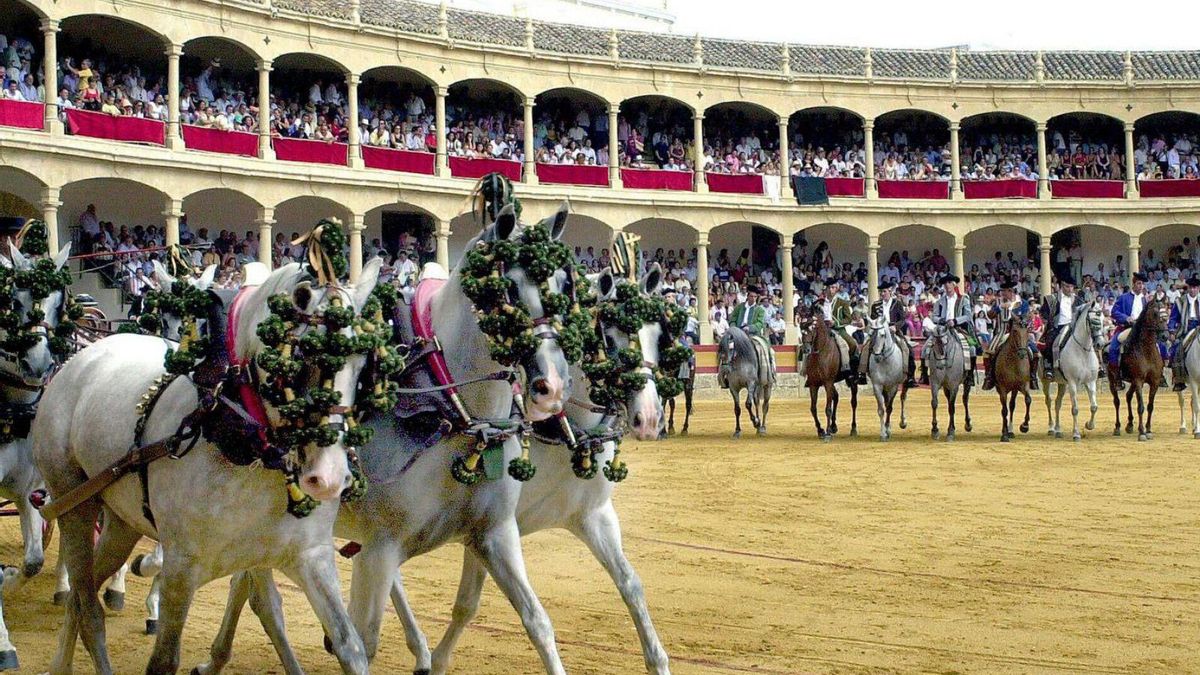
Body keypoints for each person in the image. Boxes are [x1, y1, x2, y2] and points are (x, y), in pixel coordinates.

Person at [1109, 272, 1167, 389]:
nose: (1141, 286)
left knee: (1161, 345)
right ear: (1133, 284)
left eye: (1142, 284)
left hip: (1144, 330)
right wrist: (1126, 318)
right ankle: (1117, 376)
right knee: (1114, 346)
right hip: (1128, 328)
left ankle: (1160, 374)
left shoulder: (1146, 301)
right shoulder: (1123, 297)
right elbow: (1114, 312)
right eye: (1139, 283)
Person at [857, 280, 917, 388]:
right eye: (881, 292)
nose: (882, 294)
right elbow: (874, 319)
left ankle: (910, 376)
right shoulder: (876, 305)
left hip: (893, 330)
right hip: (879, 330)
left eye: (884, 291)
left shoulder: (897, 303)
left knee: (907, 349)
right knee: (866, 347)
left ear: (890, 291)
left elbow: (902, 319)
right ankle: (862, 373)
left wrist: (895, 327)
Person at [982, 280, 1038, 391]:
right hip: (1002, 332)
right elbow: (990, 315)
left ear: (1011, 291)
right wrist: (1000, 307)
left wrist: (1013, 314)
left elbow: (1025, 318)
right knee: (988, 352)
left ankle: (1032, 376)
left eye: (1004, 291)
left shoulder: (1023, 303)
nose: (1002, 294)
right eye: (1002, 291)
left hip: (1019, 333)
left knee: (1036, 352)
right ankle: (989, 377)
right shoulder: (998, 302)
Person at [920, 274, 976, 384]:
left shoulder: (963, 299)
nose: (947, 285)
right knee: (925, 348)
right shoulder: (939, 301)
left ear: (954, 284)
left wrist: (955, 321)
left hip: (958, 328)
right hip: (942, 329)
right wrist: (943, 320)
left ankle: (969, 376)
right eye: (945, 283)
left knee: (972, 349)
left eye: (949, 283)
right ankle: (924, 374)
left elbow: (968, 316)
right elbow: (934, 316)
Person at [815, 278, 859, 382]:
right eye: (829, 288)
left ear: (837, 289)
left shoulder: (842, 303)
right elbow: (813, 315)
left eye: (833, 287)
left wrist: (836, 323)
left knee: (853, 344)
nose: (831, 290)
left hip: (839, 330)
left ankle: (851, 371)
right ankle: (808, 372)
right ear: (826, 289)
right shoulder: (819, 303)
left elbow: (848, 319)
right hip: (822, 331)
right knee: (808, 344)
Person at [1039, 274, 1077, 381]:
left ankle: (1096, 366)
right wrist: (1046, 320)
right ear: (1061, 286)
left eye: (1071, 287)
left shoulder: (1078, 299)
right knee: (1050, 342)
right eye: (1067, 287)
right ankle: (1048, 367)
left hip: (1074, 327)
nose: (1070, 289)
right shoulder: (1051, 299)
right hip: (1058, 327)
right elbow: (1043, 313)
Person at [1168, 276, 1200, 391]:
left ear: (1198, 289)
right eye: (1191, 287)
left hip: (1199, 327)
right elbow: (1173, 318)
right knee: (1177, 348)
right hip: (1185, 328)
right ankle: (1179, 379)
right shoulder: (1180, 301)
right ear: (1187, 288)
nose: (1193, 290)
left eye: (1195, 288)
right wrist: (1171, 331)